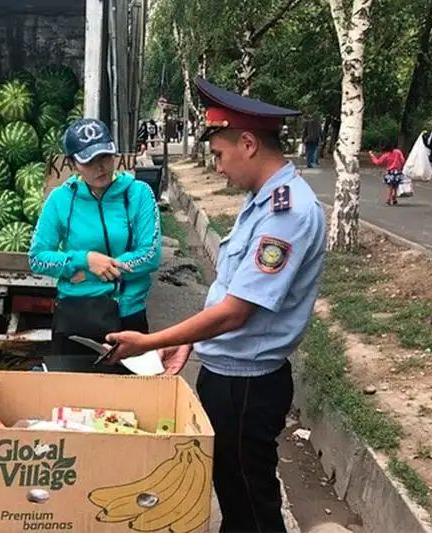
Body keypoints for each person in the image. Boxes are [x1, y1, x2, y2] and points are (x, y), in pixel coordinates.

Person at [105, 77, 327, 533]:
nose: (219, 167)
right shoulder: (261, 201)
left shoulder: (287, 214)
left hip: (246, 388)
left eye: (220, 155)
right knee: (234, 493)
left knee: (251, 507)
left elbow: (236, 312)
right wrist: (190, 342)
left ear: (248, 144)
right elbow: (229, 294)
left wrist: (150, 340)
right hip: (228, 376)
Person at [28, 118, 162, 373]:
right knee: (72, 394)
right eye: (89, 161)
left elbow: (150, 255)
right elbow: (38, 258)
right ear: (72, 163)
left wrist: (98, 270)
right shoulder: (60, 199)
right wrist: (85, 260)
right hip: (75, 317)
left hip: (128, 316)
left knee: (129, 395)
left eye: (105, 157)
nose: (100, 167)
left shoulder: (139, 194)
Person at [369, 142, 406, 206]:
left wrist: (372, 155)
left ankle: (388, 200)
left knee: (390, 186)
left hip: (390, 172)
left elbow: (378, 162)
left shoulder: (386, 155)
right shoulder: (398, 152)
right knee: (395, 186)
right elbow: (402, 160)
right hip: (398, 171)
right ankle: (394, 199)